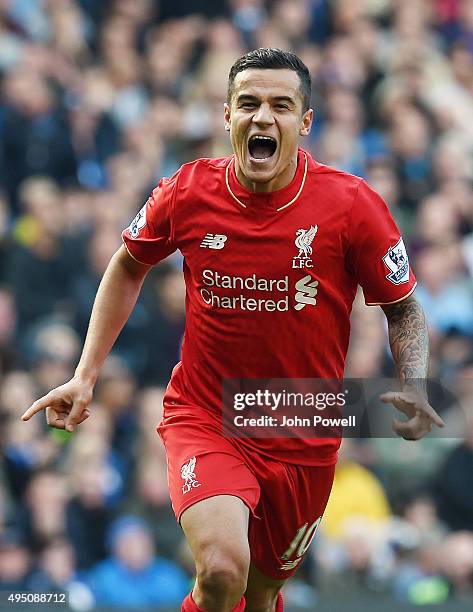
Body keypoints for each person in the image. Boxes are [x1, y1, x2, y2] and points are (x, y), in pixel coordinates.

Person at [22, 48, 445, 612]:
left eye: (280, 105)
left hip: (303, 423)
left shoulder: (351, 206)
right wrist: (85, 373)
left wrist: (415, 383)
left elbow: (405, 307)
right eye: (248, 103)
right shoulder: (188, 191)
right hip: (209, 412)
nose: (262, 117)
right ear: (226, 116)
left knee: (262, 595)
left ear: (305, 122)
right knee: (222, 570)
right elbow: (128, 263)